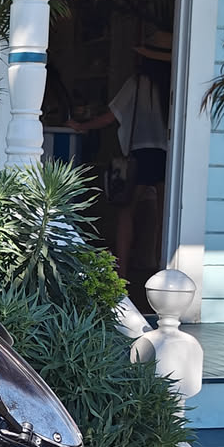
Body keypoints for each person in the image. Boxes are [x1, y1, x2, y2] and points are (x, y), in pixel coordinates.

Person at [73, 33, 173, 270]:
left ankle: (123, 270)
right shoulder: (173, 84)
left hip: (140, 153)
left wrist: (82, 126)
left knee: (126, 211)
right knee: (164, 217)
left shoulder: (137, 83)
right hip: (167, 154)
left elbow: (111, 116)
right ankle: (162, 268)